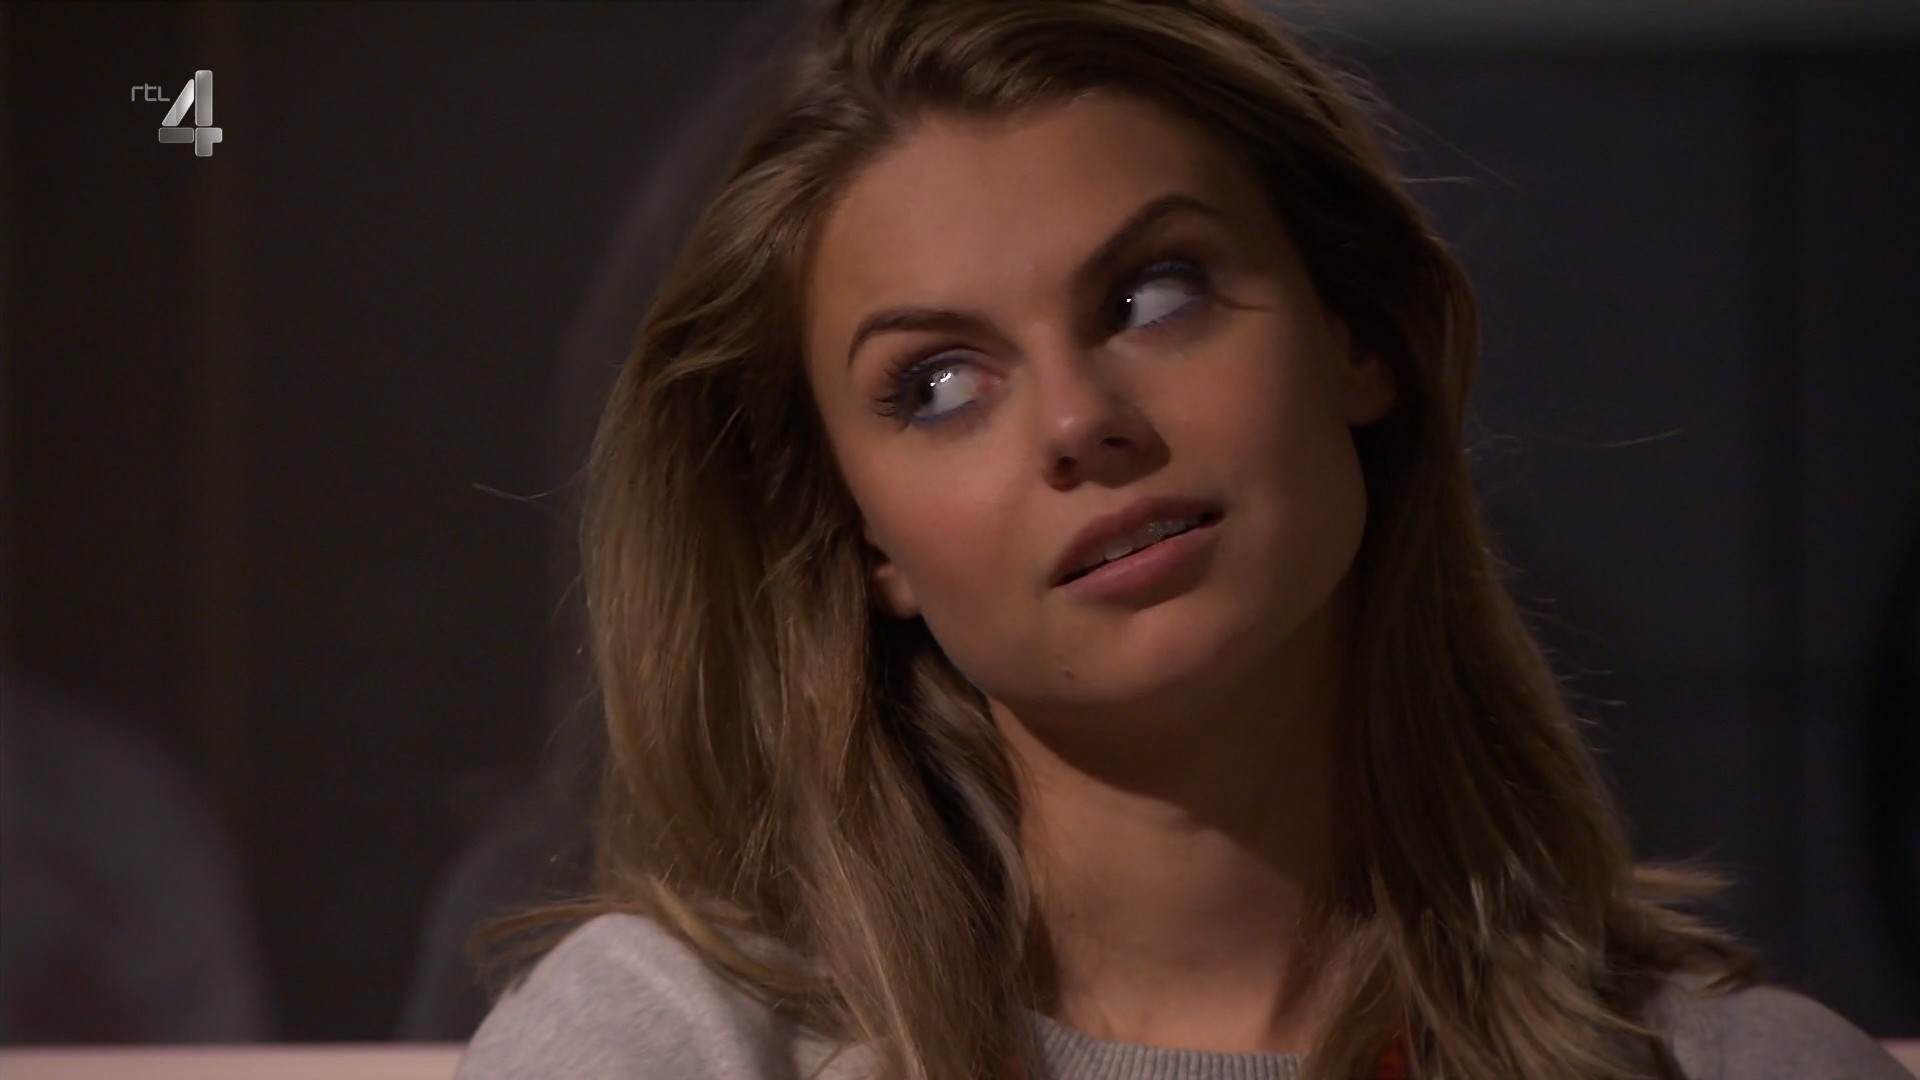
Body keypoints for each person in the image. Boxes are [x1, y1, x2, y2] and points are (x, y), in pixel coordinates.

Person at [455, 1, 1910, 1078]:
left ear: (1356, 337)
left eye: (1154, 295)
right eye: (939, 385)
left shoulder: (1735, 1071)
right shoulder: (674, 1046)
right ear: (863, 539)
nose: (1080, 420)